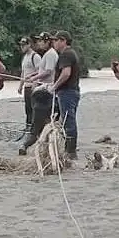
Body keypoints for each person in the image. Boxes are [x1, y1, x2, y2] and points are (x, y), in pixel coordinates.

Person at [47, 30, 81, 160]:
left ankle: (71, 151)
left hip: (67, 92)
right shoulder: (71, 53)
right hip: (72, 91)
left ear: (63, 41)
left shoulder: (66, 54)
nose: (53, 43)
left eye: (56, 40)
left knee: (68, 121)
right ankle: (69, 149)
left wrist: (54, 87)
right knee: (68, 120)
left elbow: (66, 73)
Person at [26, 32, 59, 122]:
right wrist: (32, 75)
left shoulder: (51, 54)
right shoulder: (47, 53)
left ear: (47, 42)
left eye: (40, 41)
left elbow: (48, 71)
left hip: (47, 89)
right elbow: (43, 70)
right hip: (43, 87)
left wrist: (34, 79)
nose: (39, 43)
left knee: (41, 115)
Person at [17, 36, 42, 136]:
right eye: (21, 45)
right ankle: (28, 125)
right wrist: (20, 85)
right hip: (26, 86)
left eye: (24, 45)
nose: (22, 47)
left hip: (33, 86)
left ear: (29, 45)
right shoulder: (25, 57)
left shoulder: (35, 56)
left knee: (33, 108)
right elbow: (23, 73)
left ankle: (34, 127)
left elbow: (40, 71)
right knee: (27, 108)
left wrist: (35, 84)